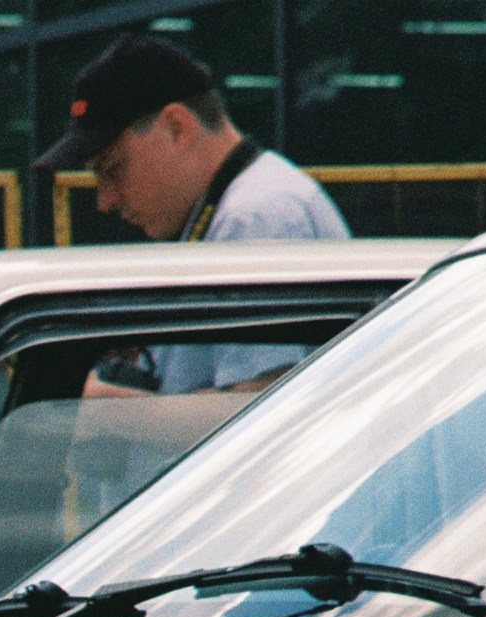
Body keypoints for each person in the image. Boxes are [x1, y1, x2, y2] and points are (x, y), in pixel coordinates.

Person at [40, 34, 347, 395]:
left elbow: (259, 412)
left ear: (177, 127)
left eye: (112, 169)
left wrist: (100, 405)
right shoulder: (232, 210)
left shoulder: (254, 218)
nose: (104, 201)